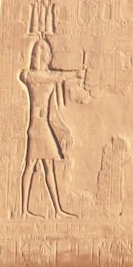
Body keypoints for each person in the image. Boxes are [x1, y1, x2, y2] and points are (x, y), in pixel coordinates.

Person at [20, 36, 84, 218]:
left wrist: (75, 75)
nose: (42, 55)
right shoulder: (33, 77)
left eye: (44, 52)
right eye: (39, 52)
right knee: (30, 165)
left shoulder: (46, 77)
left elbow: (58, 77)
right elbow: (58, 76)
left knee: (47, 167)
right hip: (36, 127)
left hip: (44, 126)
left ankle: (56, 210)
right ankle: (24, 210)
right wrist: (75, 74)